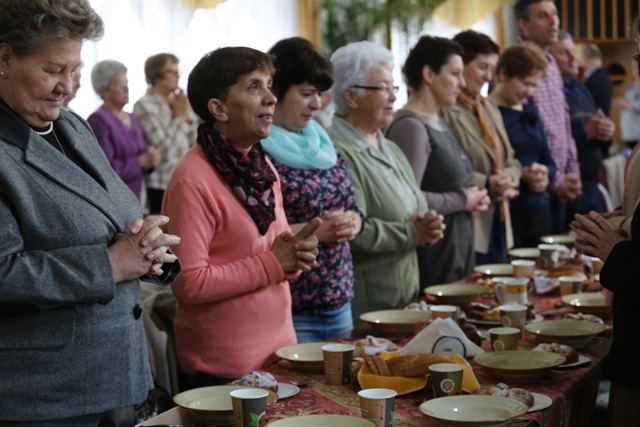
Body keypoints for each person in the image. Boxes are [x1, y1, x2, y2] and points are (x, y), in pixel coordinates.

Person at [0, 1, 182, 425]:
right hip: (43, 395)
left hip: (116, 375)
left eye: (76, 70)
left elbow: (115, 220)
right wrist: (112, 263)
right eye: (53, 69)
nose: (68, 86)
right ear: (5, 57)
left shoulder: (73, 126)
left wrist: (149, 247)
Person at [162, 46, 321, 386]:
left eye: (269, 85)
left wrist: (295, 256)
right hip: (224, 369)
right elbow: (188, 283)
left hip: (280, 353)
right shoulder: (192, 179)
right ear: (218, 109)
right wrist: (274, 263)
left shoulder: (260, 168)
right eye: (253, 87)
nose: (270, 98)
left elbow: (272, 252)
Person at [327, 40, 445, 324]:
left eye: (393, 88)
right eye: (382, 88)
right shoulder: (336, 149)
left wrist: (427, 225)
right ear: (351, 97)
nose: (393, 97)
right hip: (368, 309)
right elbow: (352, 229)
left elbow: (412, 209)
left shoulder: (389, 146)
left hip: (404, 300)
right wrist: (412, 234)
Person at [260, 37, 363, 342]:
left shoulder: (324, 144)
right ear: (275, 93)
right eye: (306, 94)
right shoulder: (256, 154)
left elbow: (352, 206)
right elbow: (254, 235)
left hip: (338, 298)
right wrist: (319, 231)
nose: (316, 104)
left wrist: (352, 222)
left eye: (319, 94)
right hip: (291, 305)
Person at [385, 36, 489, 288]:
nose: (462, 83)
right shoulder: (411, 126)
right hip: (434, 258)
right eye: (455, 74)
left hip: (456, 250)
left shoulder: (438, 120)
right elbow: (408, 200)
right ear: (429, 74)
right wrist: (464, 200)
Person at [441, 30, 521, 264]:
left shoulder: (488, 106)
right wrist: (487, 183)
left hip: (500, 217)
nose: (489, 77)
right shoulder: (445, 110)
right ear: (459, 65)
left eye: (492, 69)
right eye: (482, 67)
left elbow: (512, 157)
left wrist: (510, 177)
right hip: (469, 221)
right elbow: (446, 169)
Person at [513, 0, 582, 234]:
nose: (554, 22)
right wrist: (556, 180)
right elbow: (520, 135)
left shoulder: (551, 63)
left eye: (554, 14)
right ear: (523, 24)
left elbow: (563, 123)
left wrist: (572, 172)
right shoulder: (515, 64)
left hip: (562, 183)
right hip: (534, 189)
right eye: (543, 16)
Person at [489, 44, 557, 248]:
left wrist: (544, 174)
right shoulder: (487, 114)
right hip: (508, 214)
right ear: (503, 75)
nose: (529, 92)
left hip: (540, 211)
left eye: (534, 85)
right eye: (525, 83)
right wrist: (522, 174)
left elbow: (550, 163)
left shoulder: (530, 112)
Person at [550, 31, 615, 223]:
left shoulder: (581, 88)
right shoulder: (548, 93)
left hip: (590, 184)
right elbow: (549, 139)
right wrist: (585, 132)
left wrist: (607, 131)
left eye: (573, 51)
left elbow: (597, 126)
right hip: (563, 187)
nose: (573, 58)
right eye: (564, 53)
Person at [87, 59, 160, 204]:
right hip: (118, 201)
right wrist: (139, 162)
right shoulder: (98, 120)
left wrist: (151, 158)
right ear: (104, 91)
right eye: (121, 85)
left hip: (141, 195)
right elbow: (104, 169)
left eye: (127, 84)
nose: (126, 89)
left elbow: (140, 155)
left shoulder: (131, 117)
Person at [134, 53, 198, 214]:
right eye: (172, 70)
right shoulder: (144, 105)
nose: (178, 75)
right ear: (156, 76)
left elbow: (196, 142)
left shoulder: (180, 101)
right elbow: (164, 152)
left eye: (178, 70)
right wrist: (180, 117)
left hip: (189, 178)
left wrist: (184, 116)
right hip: (162, 184)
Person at [581, 43, 613, 118]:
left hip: (593, 121)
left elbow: (584, 104)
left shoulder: (592, 79)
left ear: (586, 57)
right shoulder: (606, 76)